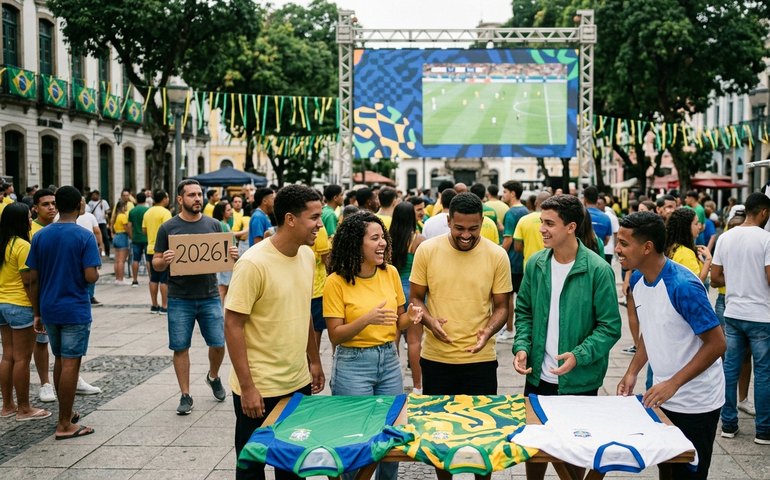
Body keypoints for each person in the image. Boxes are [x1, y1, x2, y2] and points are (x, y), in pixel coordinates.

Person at [513, 195, 621, 480]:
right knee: (535, 449)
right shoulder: (536, 264)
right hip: (537, 377)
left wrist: (579, 355)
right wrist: (522, 346)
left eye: (550, 223)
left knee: (575, 454)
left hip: (580, 381)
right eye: (541, 222)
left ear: (571, 226)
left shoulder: (598, 269)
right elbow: (523, 311)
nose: (542, 229)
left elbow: (610, 327)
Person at [224, 184, 325, 480]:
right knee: (251, 468)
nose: (320, 224)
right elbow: (232, 324)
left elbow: (302, 310)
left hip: (297, 385)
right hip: (259, 387)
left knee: (293, 469)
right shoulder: (253, 263)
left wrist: (314, 359)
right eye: (314, 217)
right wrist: (248, 387)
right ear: (291, 219)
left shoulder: (306, 256)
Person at [616, 211, 726, 479]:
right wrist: (632, 371)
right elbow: (651, 332)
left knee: (688, 474)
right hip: (662, 397)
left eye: (624, 243)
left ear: (647, 248)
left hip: (697, 402)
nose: (617, 249)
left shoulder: (683, 285)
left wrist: (673, 383)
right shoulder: (640, 281)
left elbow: (717, 344)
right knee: (667, 470)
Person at [409, 192, 510, 480]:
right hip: (437, 359)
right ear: (448, 221)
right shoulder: (427, 251)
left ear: (482, 223)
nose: (466, 235)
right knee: (440, 438)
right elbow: (415, 298)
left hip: (481, 360)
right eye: (459, 228)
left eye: (473, 229)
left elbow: (502, 306)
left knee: (484, 439)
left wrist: (488, 331)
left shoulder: (496, 254)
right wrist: (429, 321)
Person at [324, 211, 422, 480]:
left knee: (391, 437)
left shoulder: (389, 273)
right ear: (356, 243)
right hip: (352, 365)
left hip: (389, 361)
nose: (383, 244)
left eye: (384, 238)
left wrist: (410, 318)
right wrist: (367, 319)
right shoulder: (335, 281)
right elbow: (335, 335)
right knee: (354, 440)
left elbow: (397, 320)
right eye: (375, 238)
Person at [153, 179, 239, 414]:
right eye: (191, 195)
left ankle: (213, 376)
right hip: (180, 297)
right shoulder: (168, 228)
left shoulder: (214, 225)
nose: (197, 199)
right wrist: (165, 260)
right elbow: (156, 263)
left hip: (210, 295)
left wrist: (232, 254)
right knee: (180, 346)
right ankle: (185, 395)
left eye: (199, 194)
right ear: (180, 199)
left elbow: (225, 257)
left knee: (218, 343)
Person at [27, 186, 102, 439]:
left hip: (49, 306)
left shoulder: (40, 236)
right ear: (80, 205)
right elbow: (90, 275)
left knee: (59, 358)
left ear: (57, 205)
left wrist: (37, 312)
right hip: (74, 307)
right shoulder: (84, 236)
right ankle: (64, 424)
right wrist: (96, 273)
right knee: (71, 363)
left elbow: (33, 278)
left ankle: (65, 413)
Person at [711, 192, 770, 445]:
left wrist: (736, 281)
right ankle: (764, 431)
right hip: (762, 315)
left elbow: (714, 278)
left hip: (733, 312)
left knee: (729, 369)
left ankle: (729, 424)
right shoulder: (767, 239)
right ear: (764, 212)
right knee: (764, 373)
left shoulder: (725, 237)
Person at [0, 202, 52, 421]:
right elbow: (29, 281)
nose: (31, 220)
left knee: (7, 356)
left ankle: (7, 406)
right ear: (21, 221)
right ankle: (24, 408)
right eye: (28, 217)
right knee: (22, 359)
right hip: (20, 305)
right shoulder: (22, 245)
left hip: (1, 304)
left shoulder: (2, 244)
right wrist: (37, 311)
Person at [390, 201, 426, 394]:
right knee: (414, 341)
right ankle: (418, 386)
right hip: (412, 292)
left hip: (392, 291)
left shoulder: (388, 238)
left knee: (393, 338)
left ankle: (393, 381)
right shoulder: (418, 239)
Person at [142, 190, 172, 314]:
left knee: (154, 278)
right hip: (163, 250)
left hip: (150, 248)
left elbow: (144, 230)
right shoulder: (166, 213)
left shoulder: (148, 212)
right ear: (164, 199)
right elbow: (169, 231)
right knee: (164, 279)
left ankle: (154, 305)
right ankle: (164, 306)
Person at [664, 208, 711, 284]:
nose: (699, 227)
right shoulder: (685, 252)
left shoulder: (674, 246)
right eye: (696, 224)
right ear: (686, 227)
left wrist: (701, 260)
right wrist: (708, 259)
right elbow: (697, 282)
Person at [76, 198, 104, 304]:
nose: (82, 203)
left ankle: (90, 295)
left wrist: (100, 246)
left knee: (92, 271)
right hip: (77, 248)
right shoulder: (72, 217)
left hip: (90, 248)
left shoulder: (90, 216)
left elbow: (97, 231)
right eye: (80, 201)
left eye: (83, 201)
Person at [513, 191, 551, 267]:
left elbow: (517, 247)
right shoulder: (553, 221)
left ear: (536, 202)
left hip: (529, 265)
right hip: (549, 265)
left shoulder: (523, 220)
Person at [213, 200, 235, 303]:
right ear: (222, 212)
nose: (231, 212)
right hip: (225, 261)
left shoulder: (226, 224)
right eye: (229, 210)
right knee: (222, 290)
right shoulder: (222, 225)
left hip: (227, 261)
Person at [127, 192, 149, 287]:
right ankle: (152, 279)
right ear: (145, 199)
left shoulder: (132, 211)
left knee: (136, 259)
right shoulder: (148, 210)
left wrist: (132, 236)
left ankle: (135, 280)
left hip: (136, 238)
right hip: (147, 238)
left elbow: (129, 226)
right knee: (149, 260)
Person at [582, 186, 612, 255]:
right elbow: (606, 241)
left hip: (581, 257)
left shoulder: (580, 216)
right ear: (597, 199)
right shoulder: (606, 218)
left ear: (585, 199)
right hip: (599, 256)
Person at [111, 200, 131, 285]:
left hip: (116, 236)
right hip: (122, 237)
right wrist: (131, 236)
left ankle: (117, 278)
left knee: (117, 260)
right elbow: (126, 228)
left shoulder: (115, 216)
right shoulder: (123, 216)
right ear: (123, 207)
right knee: (122, 260)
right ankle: (121, 279)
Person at [87, 190, 110, 256]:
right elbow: (89, 211)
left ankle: (107, 252)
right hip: (94, 222)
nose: (94, 196)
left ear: (98, 195)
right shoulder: (90, 203)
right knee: (96, 238)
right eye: (93, 195)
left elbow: (108, 210)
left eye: (95, 195)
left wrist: (106, 214)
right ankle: (97, 252)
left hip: (102, 222)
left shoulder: (103, 202)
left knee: (105, 237)